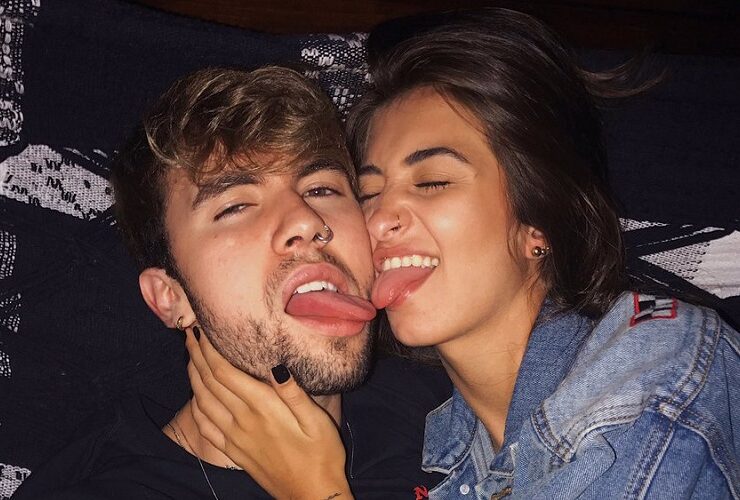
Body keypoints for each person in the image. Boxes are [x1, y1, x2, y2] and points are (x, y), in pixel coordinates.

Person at [182, 9, 740, 500]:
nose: (379, 218)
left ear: (539, 224)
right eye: (368, 193)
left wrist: (313, 489)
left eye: (432, 182)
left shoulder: (651, 382)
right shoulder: (446, 450)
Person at [11, 66, 450, 499]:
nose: (305, 220)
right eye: (235, 207)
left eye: (322, 190)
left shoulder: (443, 403)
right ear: (170, 298)